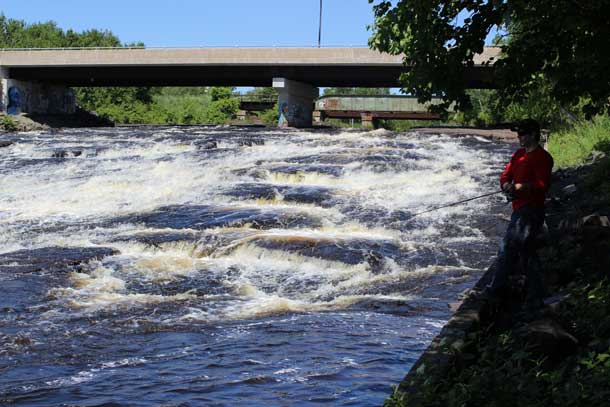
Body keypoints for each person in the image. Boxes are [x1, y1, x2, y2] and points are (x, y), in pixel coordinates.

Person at [488, 119, 554, 309]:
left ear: (533, 134)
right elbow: (505, 175)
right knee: (527, 252)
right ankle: (537, 295)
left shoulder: (543, 157)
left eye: (523, 134)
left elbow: (543, 185)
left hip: (531, 210)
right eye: (518, 134)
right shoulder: (518, 155)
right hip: (518, 208)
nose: (520, 138)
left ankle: (496, 289)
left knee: (507, 246)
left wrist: (522, 186)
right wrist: (506, 185)